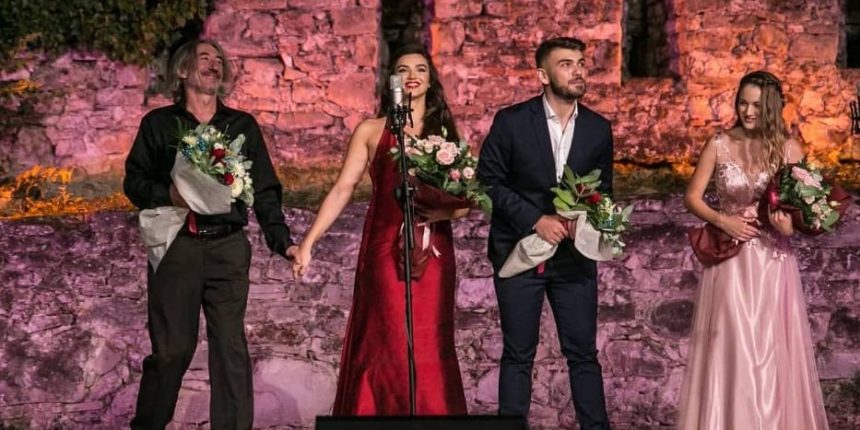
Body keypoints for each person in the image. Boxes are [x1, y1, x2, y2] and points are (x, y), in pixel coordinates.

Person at [123, 38, 298, 429]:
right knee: (172, 351)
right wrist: (169, 194)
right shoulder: (158, 124)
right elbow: (134, 182)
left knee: (230, 348)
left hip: (227, 248)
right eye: (204, 58)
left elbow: (265, 190)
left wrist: (282, 242)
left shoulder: (241, 126)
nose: (214, 63)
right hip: (177, 247)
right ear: (183, 70)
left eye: (219, 59)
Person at [290, 43, 468, 415]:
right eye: (403, 69)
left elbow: (466, 201)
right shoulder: (371, 130)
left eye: (420, 69)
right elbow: (343, 188)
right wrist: (308, 242)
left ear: (431, 80)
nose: (412, 75)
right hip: (386, 248)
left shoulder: (447, 135)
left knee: (431, 339)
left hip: (434, 251)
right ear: (391, 82)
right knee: (388, 335)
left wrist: (441, 212)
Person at [677, 71, 829, 429]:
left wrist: (787, 226)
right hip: (730, 263)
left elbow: (799, 214)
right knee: (733, 347)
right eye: (743, 103)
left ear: (772, 108)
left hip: (772, 262)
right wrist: (723, 220)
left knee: (772, 350)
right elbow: (692, 198)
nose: (747, 111)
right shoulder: (718, 143)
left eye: (757, 106)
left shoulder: (789, 149)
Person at [476, 37, 613, 428]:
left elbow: (605, 191)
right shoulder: (512, 122)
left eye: (581, 63)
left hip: (574, 259)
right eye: (566, 64)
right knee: (518, 354)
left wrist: (597, 222)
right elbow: (489, 181)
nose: (578, 70)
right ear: (543, 75)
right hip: (519, 253)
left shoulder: (598, 128)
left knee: (583, 354)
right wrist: (537, 219)